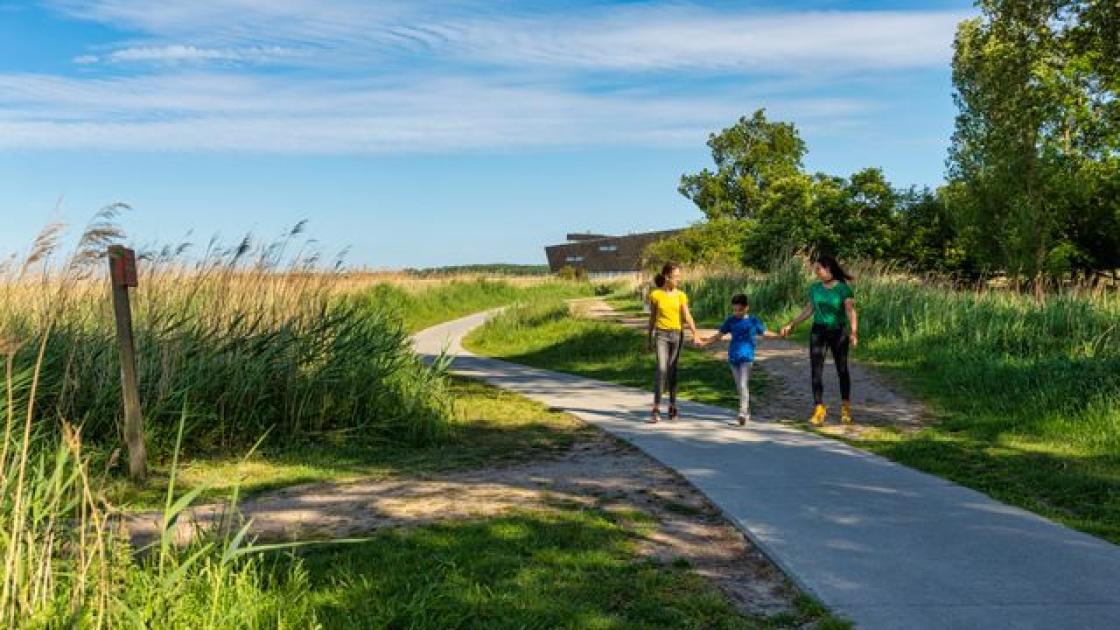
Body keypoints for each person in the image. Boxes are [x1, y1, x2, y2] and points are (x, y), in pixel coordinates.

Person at [780, 255, 860, 426]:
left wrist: (853, 332)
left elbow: (850, 311)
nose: (816, 272)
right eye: (815, 269)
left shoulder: (843, 289)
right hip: (818, 332)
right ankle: (819, 408)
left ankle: (846, 407)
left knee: (842, 370)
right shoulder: (815, 288)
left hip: (838, 332)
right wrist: (792, 324)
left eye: (818, 269)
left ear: (828, 268)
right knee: (816, 371)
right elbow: (809, 310)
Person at [699, 293, 779, 425]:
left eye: (739, 310)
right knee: (740, 386)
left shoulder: (753, 321)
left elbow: (765, 332)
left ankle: (742, 412)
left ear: (746, 308)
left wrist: (779, 336)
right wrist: (704, 342)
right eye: (734, 309)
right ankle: (746, 411)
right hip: (733, 357)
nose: (736, 312)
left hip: (747, 358)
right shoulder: (730, 321)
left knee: (743, 384)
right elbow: (719, 335)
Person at [647, 262, 701, 423]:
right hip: (661, 335)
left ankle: (672, 406)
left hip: (677, 336)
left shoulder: (681, 295)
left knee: (672, 371)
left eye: (679, 276)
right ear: (667, 277)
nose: (679, 279)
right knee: (662, 369)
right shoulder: (655, 295)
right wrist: (648, 337)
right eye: (676, 276)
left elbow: (687, 316)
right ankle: (656, 407)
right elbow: (652, 318)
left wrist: (695, 334)